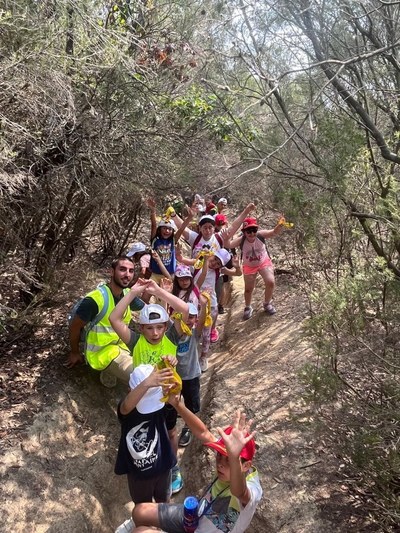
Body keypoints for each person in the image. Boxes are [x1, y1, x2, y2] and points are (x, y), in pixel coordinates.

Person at [109, 279, 190, 495]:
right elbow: (114, 318)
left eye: (159, 327)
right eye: (149, 328)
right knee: (147, 434)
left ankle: (172, 467)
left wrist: (160, 292)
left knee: (171, 432)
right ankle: (147, 466)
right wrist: (133, 293)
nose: (155, 333)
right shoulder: (135, 341)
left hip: (168, 396)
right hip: (143, 399)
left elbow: (186, 310)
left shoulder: (171, 337)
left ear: (165, 326)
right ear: (141, 328)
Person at [131, 407, 262, 533]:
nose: (220, 464)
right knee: (139, 511)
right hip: (196, 517)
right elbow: (203, 432)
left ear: (245, 466)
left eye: (228, 460)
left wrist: (234, 458)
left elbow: (239, 492)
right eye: (219, 456)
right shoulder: (228, 459)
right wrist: (177, 404)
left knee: (139, 532)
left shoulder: (252, 489)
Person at [66, 256, 144, 387]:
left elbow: (148, 311)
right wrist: (74, 352)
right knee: (139, 376)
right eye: (123, 269)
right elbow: (75, 327)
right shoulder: (95, 300)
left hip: (121, 347)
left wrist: (157, 292)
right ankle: (108, 370)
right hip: (101, 353)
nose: (127, 275)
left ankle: (110, 372)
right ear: (112, 272)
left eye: (131, 271)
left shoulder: (127, 294)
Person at [115, 364, 177, 505]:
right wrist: (146, 384)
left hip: (163, 469)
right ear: (130, 390)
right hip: (138, 473)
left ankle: (161, 526)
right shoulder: (129, 411)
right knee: (143, 506)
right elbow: (125, 407)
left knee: (164, 503)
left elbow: (172, 432)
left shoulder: (164, 406)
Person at [226, 216, 284, 320]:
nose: (252, 233)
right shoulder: (242, 240)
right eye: (249, 231)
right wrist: (226, 236)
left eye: (254, 230)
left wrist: (279, 225)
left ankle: (267, 303)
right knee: (248, 289)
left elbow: (274, 232)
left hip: (263, 262)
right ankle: (248, 307)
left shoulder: (260, 235)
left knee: (270, 281)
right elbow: (229, 245)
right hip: (249, 266)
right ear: (244, 232)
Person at [194, 250, 242, 372]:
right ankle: (192, 355)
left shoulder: (219, 271)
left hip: (211, 305)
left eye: (219, 263)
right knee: (193, 332)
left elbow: (238, 273)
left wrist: (237, 266)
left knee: (206, 334)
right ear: (212, 255)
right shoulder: (199, 263)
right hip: (194, 303)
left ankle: (203, 356)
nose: (215, 263)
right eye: (215, 259)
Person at [147, 198, 177, 282]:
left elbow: (182, 228)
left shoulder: (173, 240)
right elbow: (153, 225)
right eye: (164, 228)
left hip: (169, 274)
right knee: (146, 293)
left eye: (169, 229)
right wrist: (153, 210)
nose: (167, 231)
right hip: (155, 275)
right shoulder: (155, 240)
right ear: (159, 229)